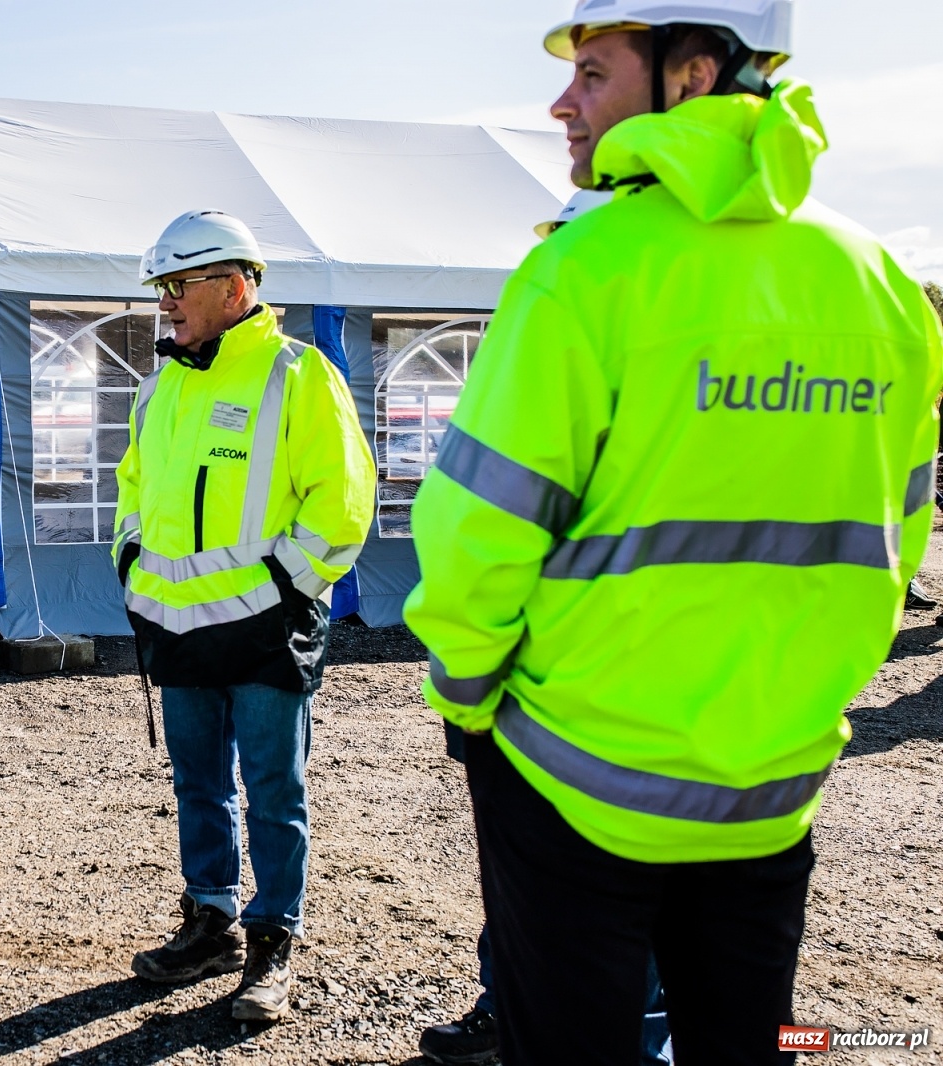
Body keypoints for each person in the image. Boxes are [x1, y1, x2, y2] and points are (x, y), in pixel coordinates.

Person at [403, 0, 943, 1062]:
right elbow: (896, 543)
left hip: (572, 781)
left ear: (690, 75)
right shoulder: (880, 283)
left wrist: (466, 695)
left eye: (592, 73)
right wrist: (797, 707)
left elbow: (476, 532)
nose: (561, 103)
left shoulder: (585, 268)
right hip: (771, 787)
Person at [419, 190, 672, 1066]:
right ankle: (514, 1005)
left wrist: (464, 687)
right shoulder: (547, 351)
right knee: (530, 888)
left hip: (618, 687)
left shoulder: (661, 369)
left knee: (636, 891)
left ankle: (634, 1035)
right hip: (542, 685)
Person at [115, 210, 374, 1022]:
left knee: (272, 791)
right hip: (177, 628)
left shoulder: (298, 374)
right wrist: (130, 564)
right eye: (161, 288)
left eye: (177, 286)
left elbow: (342, 505)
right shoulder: (161, 386)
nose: (165, 303)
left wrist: (280, 592)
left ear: (233, 288)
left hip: (266, 631)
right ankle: (212, 920)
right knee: (197, 784)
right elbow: (131, 486)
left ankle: (274, 942)